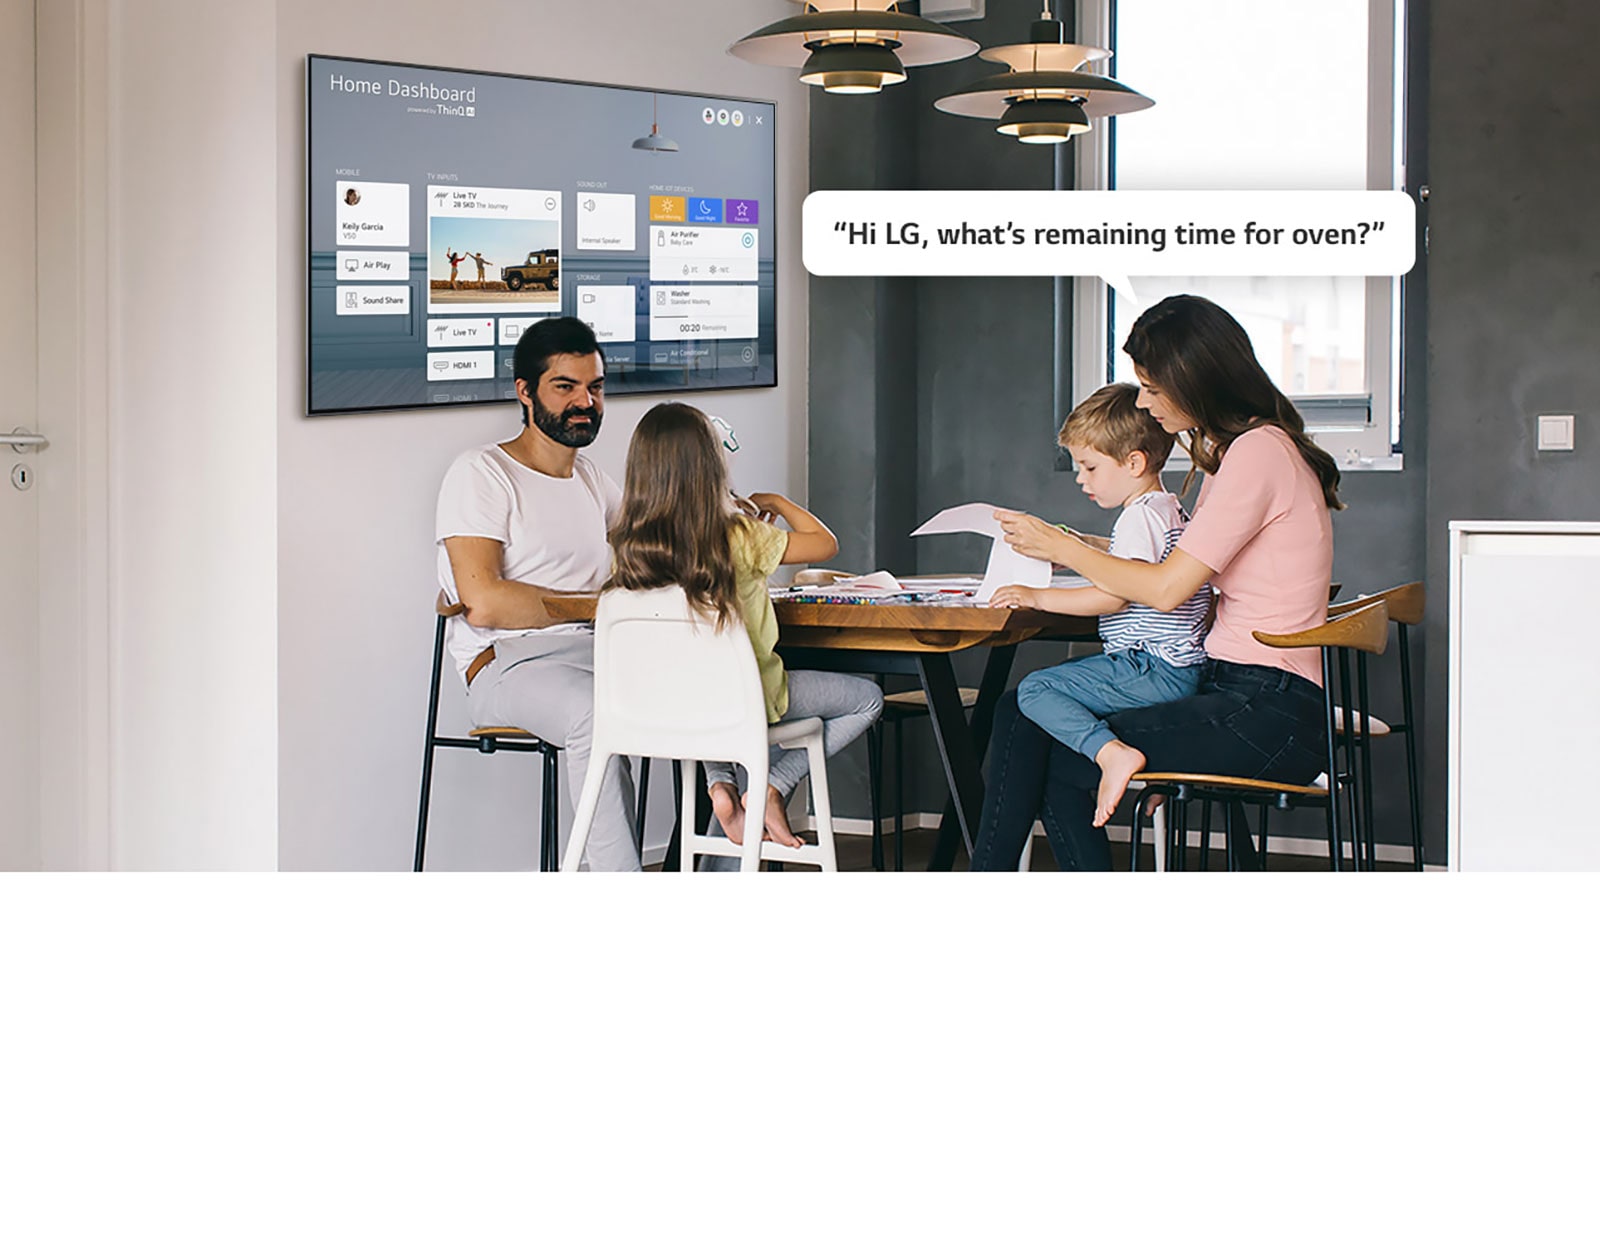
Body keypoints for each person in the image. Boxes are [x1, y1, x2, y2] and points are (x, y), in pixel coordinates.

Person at [970, 294, 1341, 871]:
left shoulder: (1256, 454)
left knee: (1036, 730)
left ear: (1195, 380)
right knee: (1029, 718)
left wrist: (1063, 547)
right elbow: (1173, 567)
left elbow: (1167, 589)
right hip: (1243, 691)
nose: (1143, 401)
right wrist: (1081, 548)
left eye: (1151, 386)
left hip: (1266, 709)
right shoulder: (1245, 452)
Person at [607, 403, 883, 852]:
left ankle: (720, 785)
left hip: (670, 705)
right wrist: (775, 502)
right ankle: (770, 786)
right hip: (750, 698)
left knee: (704, 694)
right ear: (711, 467)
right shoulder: (739, 533)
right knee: (867, 700)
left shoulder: (629, 546)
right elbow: (825, 544)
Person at [436, 316, 640, 871]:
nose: (586, 402)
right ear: (525, 393)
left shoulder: (594, 480)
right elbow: (486, 601)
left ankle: (723, 866)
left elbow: (652, 555)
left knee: (724, 688)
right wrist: (597, 607)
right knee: (596, 714)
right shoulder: (482, 473)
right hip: (506, 664)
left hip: (595, 655)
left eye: (595, 387)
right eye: (566, 387)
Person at [987, 382, 1211, 774]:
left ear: (1134, 463)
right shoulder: (1165, 508)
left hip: (1151, 668)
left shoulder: (1138, 516)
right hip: (1180, 667)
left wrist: (1034, 596)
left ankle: (1111, 754)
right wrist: (1085, 546)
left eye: (1090, 467)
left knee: (1036, 689)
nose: (1080, 479)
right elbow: (1135, 566)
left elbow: (1114, 598)